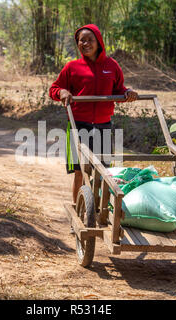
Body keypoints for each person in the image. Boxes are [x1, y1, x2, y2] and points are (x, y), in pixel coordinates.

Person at [49, 24, 138, 204]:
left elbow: (119, 90)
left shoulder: (111, 66)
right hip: (78, 126)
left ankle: (99, 210)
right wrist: (62, 93)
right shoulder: (72, 67)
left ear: (99, 42)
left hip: (104, 125)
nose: (85, 43)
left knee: (103, 171)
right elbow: (54, 88)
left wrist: (128, 93)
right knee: (80, 172)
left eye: (90, 40)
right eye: (81, 40)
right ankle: (78, 210)